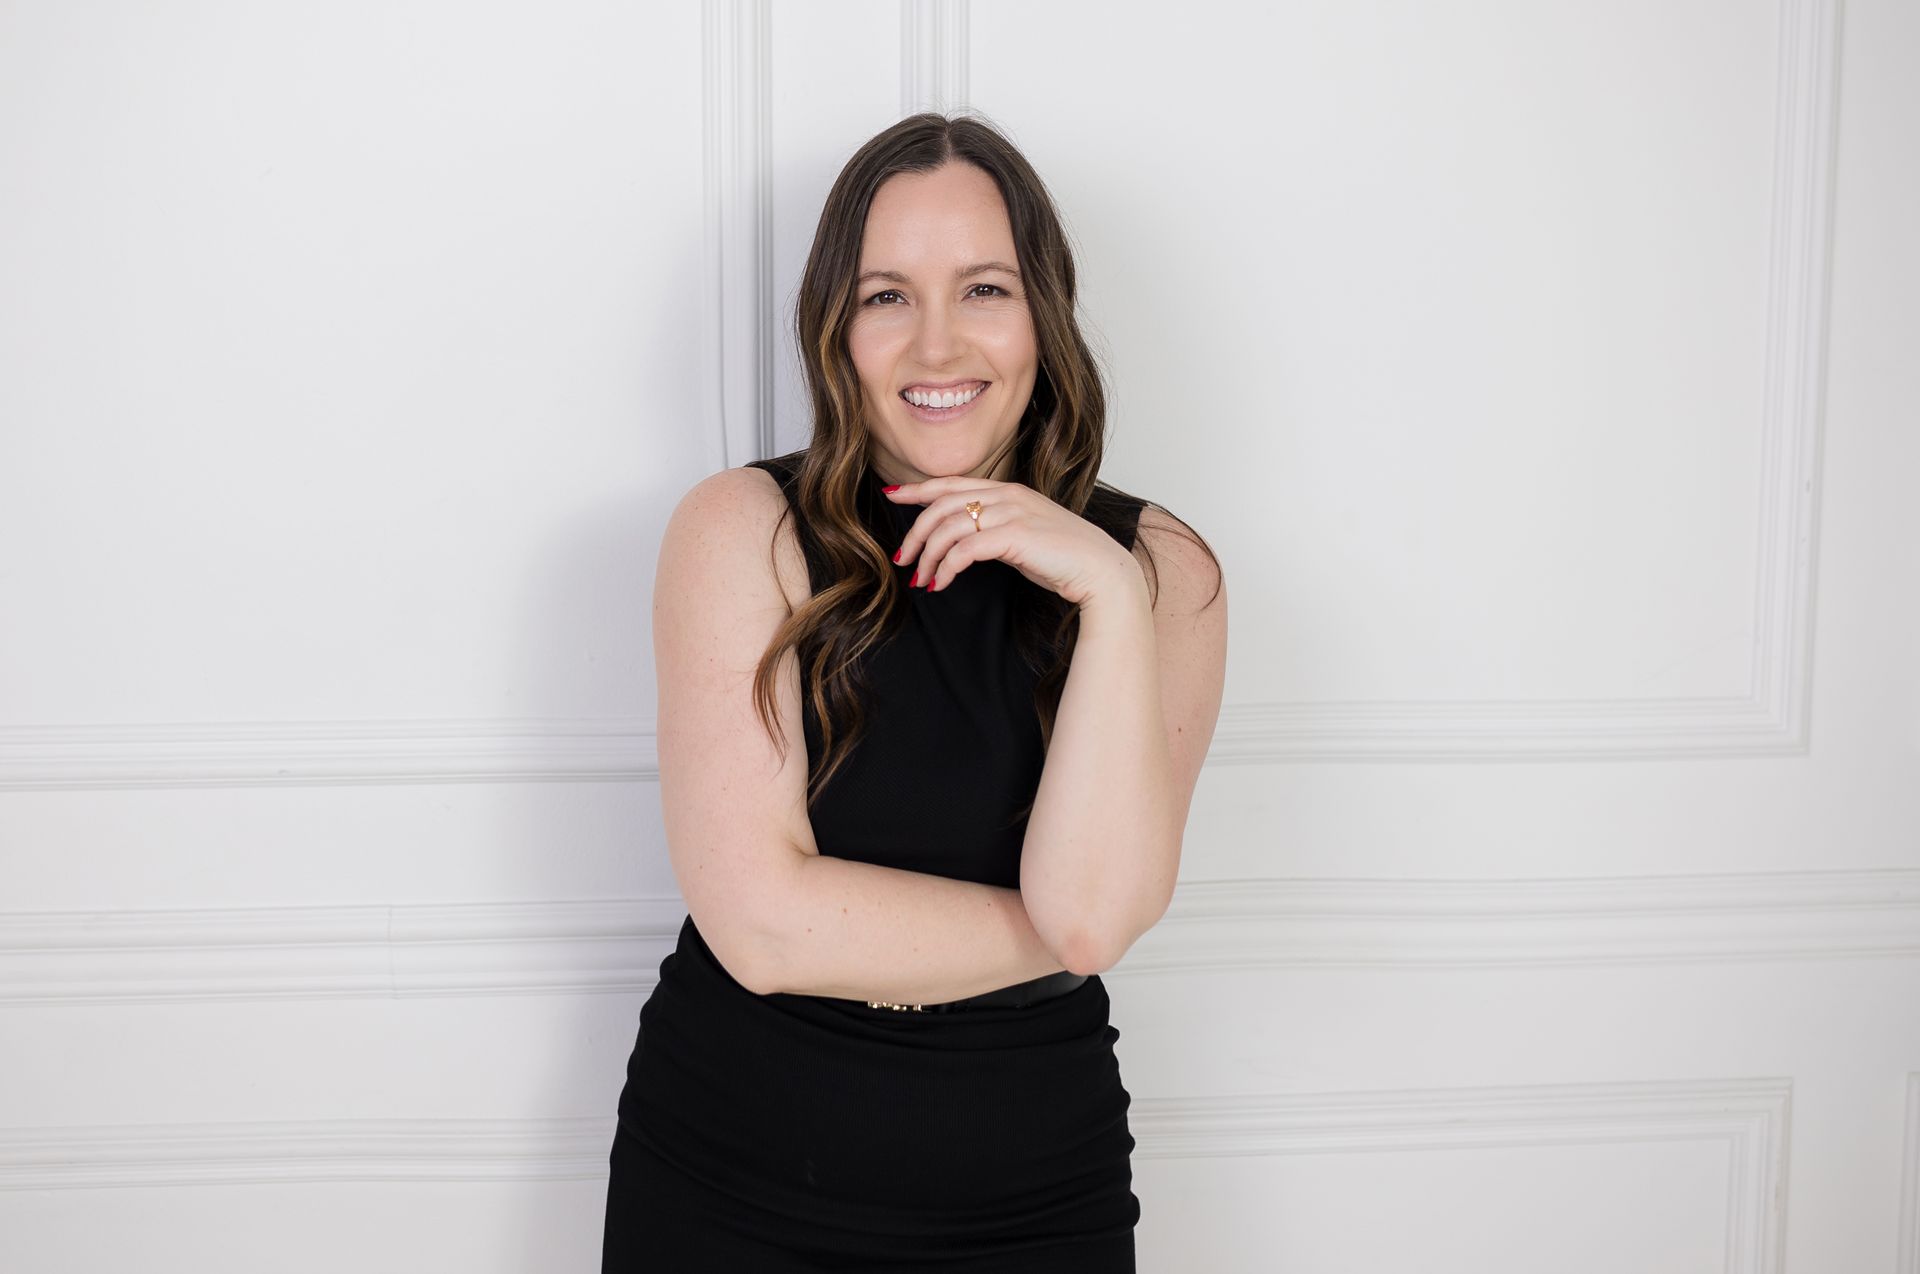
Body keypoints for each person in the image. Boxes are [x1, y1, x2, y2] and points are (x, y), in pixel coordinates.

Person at [602, 111, 1227, 1271]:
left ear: (1044, 311)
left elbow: (1094, 916)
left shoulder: (1157, 575)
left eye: (984, 287)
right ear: (837, 329)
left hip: (1037, 1190)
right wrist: (1054, 932)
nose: (938, 347)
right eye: (888, 295)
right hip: (732, 1181)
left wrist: (1104, 592)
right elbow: (763, 925)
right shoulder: (742, 533)